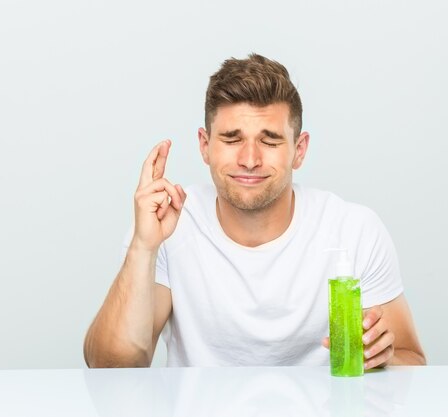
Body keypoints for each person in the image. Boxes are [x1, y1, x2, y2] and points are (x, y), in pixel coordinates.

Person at [84, 53, 426, 368]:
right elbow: (112, 367)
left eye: (270, 140)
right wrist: (143, 247)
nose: (250, 159)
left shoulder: (354, 230)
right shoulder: (167, 225)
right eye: (232, 139)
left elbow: (412, 360)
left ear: (299, 149)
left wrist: (384, 357)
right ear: (205, 146)